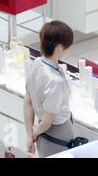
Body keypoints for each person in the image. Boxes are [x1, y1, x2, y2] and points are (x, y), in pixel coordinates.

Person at [24, 20, 74, 158]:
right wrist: (34, 134)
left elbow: (28, 102)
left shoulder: (36, 63)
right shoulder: (55, 81)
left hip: (43, 137)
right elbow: (48, 121)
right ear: (60, 47)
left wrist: (30, 134)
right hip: (58, 136)